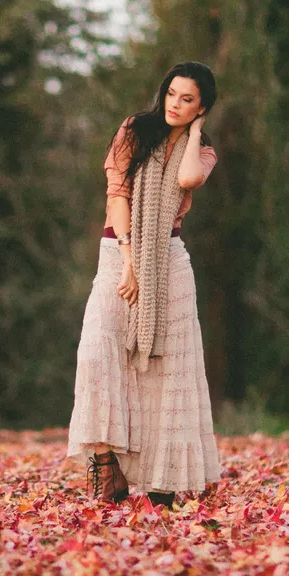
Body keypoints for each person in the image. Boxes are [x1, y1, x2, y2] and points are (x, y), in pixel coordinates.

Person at [66, 61, 222, 508]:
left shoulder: (203, 150)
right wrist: (130, 263)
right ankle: (105, 466)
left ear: (201, 107)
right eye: (172, 94)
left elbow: (188, 179)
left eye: (187, 99)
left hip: (170, 261)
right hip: (119, 253)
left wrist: (193, 134)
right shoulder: (135, 130)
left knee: (167, 371)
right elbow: (117, 194)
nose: (175, 104)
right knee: (97, 349)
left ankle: (162, 482)